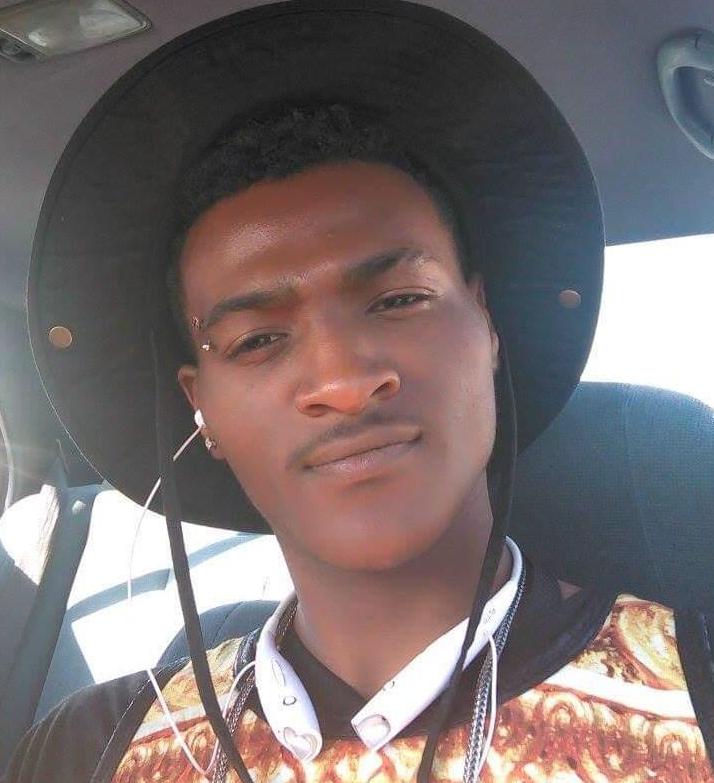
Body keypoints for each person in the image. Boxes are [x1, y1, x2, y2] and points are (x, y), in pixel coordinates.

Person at [5, 2, 713, 781]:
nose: (343, 381)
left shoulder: (695, 683)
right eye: (257, 340)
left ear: (487, 323)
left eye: (399, 299)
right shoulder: (90, 747)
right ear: (200, 407)